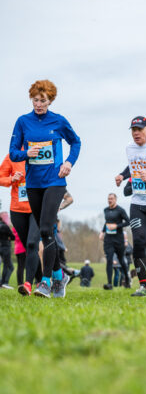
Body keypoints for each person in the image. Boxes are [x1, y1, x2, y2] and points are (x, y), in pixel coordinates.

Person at [9, 79, 81, 298]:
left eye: (43, 100)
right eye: (35, 100)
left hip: (55, 182)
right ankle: (61, 275)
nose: (38, 104)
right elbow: (13, 152)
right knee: (46, 232)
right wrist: (25, 154)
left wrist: (69, 163)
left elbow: (76, 142)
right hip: (33, 183)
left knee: (44, 229)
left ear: (50, 101)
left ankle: (46, 282)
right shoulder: (23, 122)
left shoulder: (58, 121)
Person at [116, 116, 146, 297]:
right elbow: (132, 166)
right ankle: (144, 285)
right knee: (139, 243)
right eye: (133, 130)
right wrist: (122, 175)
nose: (136, 133)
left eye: (140, 130)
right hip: (137, 203)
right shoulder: (129, 148)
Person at [0, 153, 42, 295]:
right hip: (17, 209)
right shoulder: (12, 155)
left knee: (31, 244)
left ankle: (28, 283)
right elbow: (1, 178)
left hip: (36, 208)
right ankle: (41, 280)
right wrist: (12, 179)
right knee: (30, 248)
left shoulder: (41, 149)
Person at [100, 193, 130, 290]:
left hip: (118, 240)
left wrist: (116, 226)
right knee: (109, 260)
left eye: (111, 199)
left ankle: (127, 281)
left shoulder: (120, 210)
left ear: (115, 199)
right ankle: (109, 284)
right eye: (108, 199)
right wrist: (102, 231)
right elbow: (107, 222)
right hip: (108, 239)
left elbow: (128, 221)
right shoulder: (106, 210)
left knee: (121, 260)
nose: (110, 200)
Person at [0, 214, 15, 288]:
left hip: (1, 247)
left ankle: (3, 282)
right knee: (7, 266)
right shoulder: (5, 226)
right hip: (6, 247)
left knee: (8, 266)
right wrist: (9, 238)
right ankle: (4, 282)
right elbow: (13, 237)